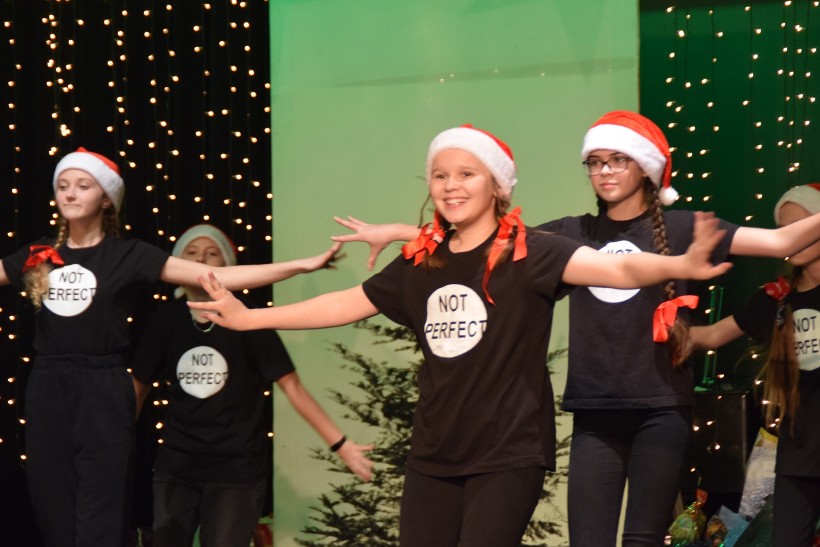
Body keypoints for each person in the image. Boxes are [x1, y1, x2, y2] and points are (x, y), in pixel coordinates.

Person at [188, 124, 733, 547]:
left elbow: (617, 268)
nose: (451, 186)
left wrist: (678, 264)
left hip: (508, 452)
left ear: (497, 185)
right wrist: (249, 318)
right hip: (434, 453)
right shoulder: (421, 262)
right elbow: (345, 303)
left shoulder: (533, 252)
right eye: (440, 175)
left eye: (467, 173)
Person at [329, 112, 820, 546]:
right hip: (594, 411)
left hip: (660, 407)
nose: (605, 171)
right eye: (595, 162)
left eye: (618, 160)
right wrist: (401, 232)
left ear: (645, 167)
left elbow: (782, 241)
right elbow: (485, 241)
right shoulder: (570, 233)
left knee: (643, 538)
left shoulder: (683, 227)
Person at [0, 148, 342, 547]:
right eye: (63, 186)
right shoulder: (38, 254)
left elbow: (214, 276)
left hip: (103, 387)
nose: (70, 194)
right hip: (47, 386)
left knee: (100, 516)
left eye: (83, 186)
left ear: (106, 198)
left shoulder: (129, 255)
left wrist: (301, 265)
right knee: (52, 510)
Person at [131, 223, 374, 547]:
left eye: (212, 253)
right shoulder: (165, 321)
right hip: (177, 465)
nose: (201, 260)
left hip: (236, 470)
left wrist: (340, 444)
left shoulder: (248, 318)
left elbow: (293, 387)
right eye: (191, 253)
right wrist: (116, 446)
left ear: (229, 267)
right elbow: (137, 387)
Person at [690, 184, 820, 547]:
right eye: (783, 229)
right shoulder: (776, 299)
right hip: (799, 456)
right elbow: (712, 335)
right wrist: (658, 325)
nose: (791, 236)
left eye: (801, 225)